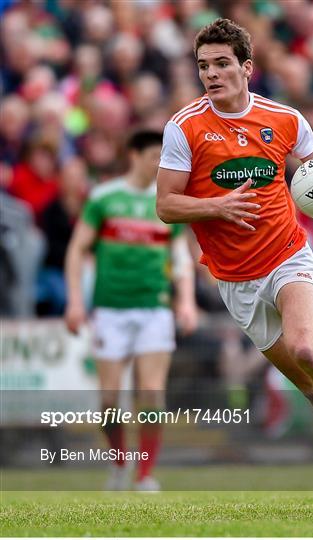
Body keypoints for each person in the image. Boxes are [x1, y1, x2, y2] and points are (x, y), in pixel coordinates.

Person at [156, 18, 313, 510]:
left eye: (222, 64)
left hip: (287, 254)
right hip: (234, 279)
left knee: (307, 349)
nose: (211, 74)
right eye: (204, 66)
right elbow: (166, 206)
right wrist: (216, 206)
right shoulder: (183, 127)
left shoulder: (286, 119)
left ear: (246, 67)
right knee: (306, 382)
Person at [65, 130, 198, 491]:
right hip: (110, 309)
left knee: (152, 393)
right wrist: (76, 300)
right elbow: (77, 249)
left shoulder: (168, 202)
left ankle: (145, 474)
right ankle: (120, 463)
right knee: (109, 401)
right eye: (155, 154)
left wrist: (186, 301)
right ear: (134, 156)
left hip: (154, 308)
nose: (160, 162)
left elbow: (181, 257)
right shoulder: (104, 198)